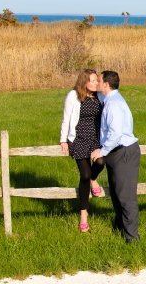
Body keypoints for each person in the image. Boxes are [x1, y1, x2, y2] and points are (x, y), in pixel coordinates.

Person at [90, 70, 141, 243]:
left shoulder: (114, 105)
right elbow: (97, 93)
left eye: (98, 81)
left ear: (106, 84)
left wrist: (101, 151)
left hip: (123, 152)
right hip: (116, 153)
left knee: (126, 197)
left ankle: (132, 238)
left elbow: (116, 133)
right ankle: (120, 228)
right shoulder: (109, 98)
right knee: (117, 195)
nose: (96, 83)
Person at [60, 69, 106, 233]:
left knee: (100, 162)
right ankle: (84, 216)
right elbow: (66, 118)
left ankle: (94, 179)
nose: (96, 83)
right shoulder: (73, 95)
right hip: (78, 139)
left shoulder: (100, 97)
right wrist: (63, 140)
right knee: (84, 175)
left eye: (96, 81)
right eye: (92, 81)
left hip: (95, 139)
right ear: (84, 82)